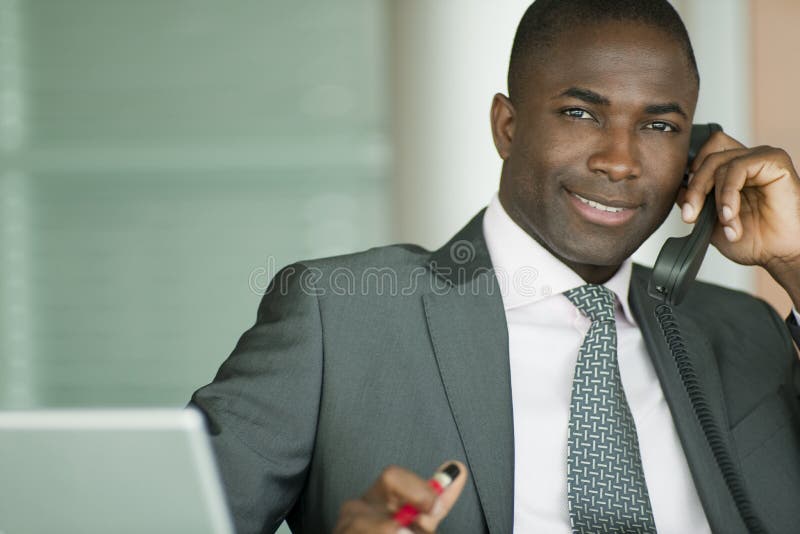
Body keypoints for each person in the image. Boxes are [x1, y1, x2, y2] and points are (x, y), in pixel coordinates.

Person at [191, 1, 800, 532]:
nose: (620, 161)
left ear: (695, 154)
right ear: (507, 127)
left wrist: (795, 261)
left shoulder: (746, 329)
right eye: (581, 114)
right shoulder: (340, 317)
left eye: (660, 126)